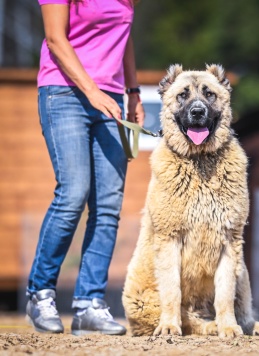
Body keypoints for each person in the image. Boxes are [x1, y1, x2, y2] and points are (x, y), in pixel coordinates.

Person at [26, 0, 145, 335]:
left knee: (108, 205)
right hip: (64, 93)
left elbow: (124, 35)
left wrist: (133, 92)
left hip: (109, 99)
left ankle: (89, 304)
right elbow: (55, 39)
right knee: (73, 193)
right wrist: (92, 91)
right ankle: (40, 292)